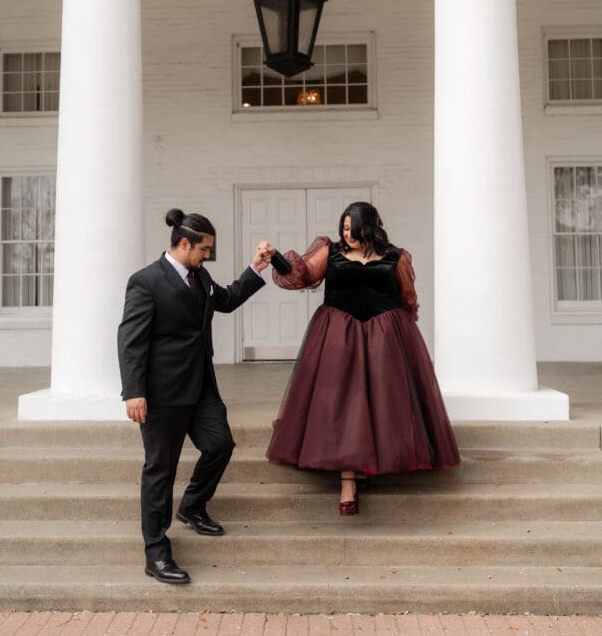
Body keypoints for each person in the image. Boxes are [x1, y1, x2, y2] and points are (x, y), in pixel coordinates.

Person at [266, 201, 460, 514]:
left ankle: (370, 463)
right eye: (343, 228)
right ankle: (347, 481)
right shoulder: (332, 253)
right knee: (344, 405)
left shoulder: (396, 257)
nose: (348, 234)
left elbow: (407, 295)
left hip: (384, 338)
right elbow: (299, 276)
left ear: (368, 227)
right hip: (338, 336)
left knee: (381, 402)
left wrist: (402, 333)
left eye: (352, 229)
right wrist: (274, 256)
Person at [118, 208, 273, 585]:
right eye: (205, 249)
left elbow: (228, 299)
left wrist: (255, 268)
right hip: (162, 393)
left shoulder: (200, 277)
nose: (208, 256)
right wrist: (134, 391)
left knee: (220, 444)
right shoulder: (145, 282)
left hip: (201, 385)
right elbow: (130, 340)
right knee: (160, 469)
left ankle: (192, 505)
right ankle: (156, 552)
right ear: (184, 244)